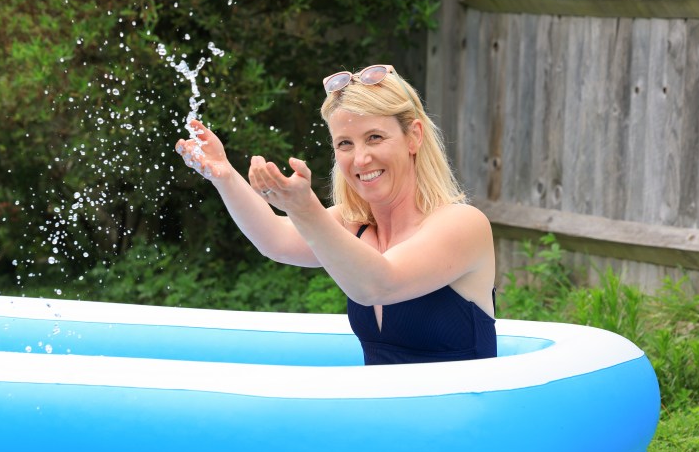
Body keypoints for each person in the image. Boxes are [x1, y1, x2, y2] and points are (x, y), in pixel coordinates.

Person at [175, 64, 496, 365]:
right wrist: (225, 175)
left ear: (414, 136)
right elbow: (275, 239)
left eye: (375, 137)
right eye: (345, 143)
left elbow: (378, 285)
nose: (360, 159)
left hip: (463, 421)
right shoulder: (351, 222)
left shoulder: (462, 224)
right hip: (383, 419)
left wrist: (306, 210)